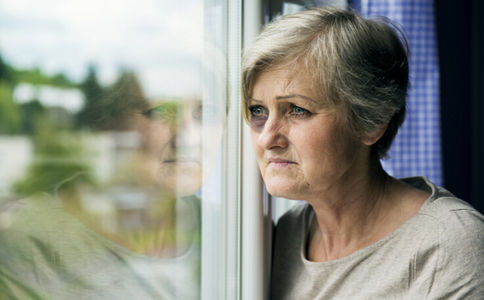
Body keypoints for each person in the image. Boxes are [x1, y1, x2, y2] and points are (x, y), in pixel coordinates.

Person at [241, 6, 484, 299]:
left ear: (372, 122)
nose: (267, 137)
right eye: (258, 110)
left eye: (297, 110)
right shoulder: (281, 235)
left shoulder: (451, 244)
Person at [0, 60, 226, 298]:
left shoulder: (231, 231)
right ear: (113, 123)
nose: (188, 138)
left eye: (205, 112)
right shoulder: (34, 241)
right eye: (160, 111)